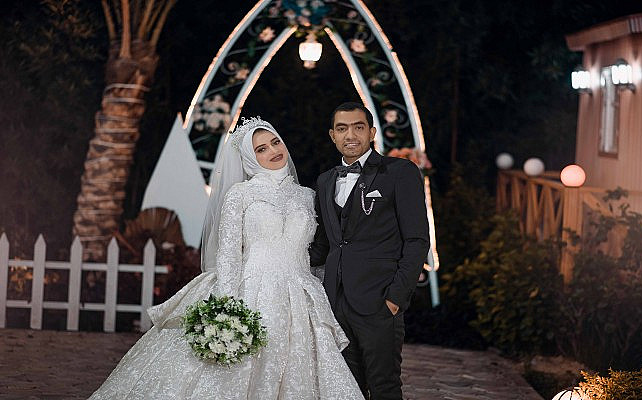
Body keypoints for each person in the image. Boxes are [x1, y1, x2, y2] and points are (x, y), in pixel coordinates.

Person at [89, 117, 364, 399]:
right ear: (249, 158)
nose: (273, 151)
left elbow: (314, 250)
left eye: (275, 142)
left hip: (299, 295)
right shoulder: (240, 194)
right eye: (261, 149)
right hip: (252, 290)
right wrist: (226, 306)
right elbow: (229, 253)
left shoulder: (307, 196)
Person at [310, 102, 430, 399]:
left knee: (384, 387)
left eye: (358, 127)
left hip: (379, 301)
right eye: (342, 128)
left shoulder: (400, 172)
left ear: (372, 132)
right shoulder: (325, 181)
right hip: (335, 305)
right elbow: (324, 245)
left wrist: (395, 298)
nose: (350, 135)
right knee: (345, 390)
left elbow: (417, 240)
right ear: (332, 135)